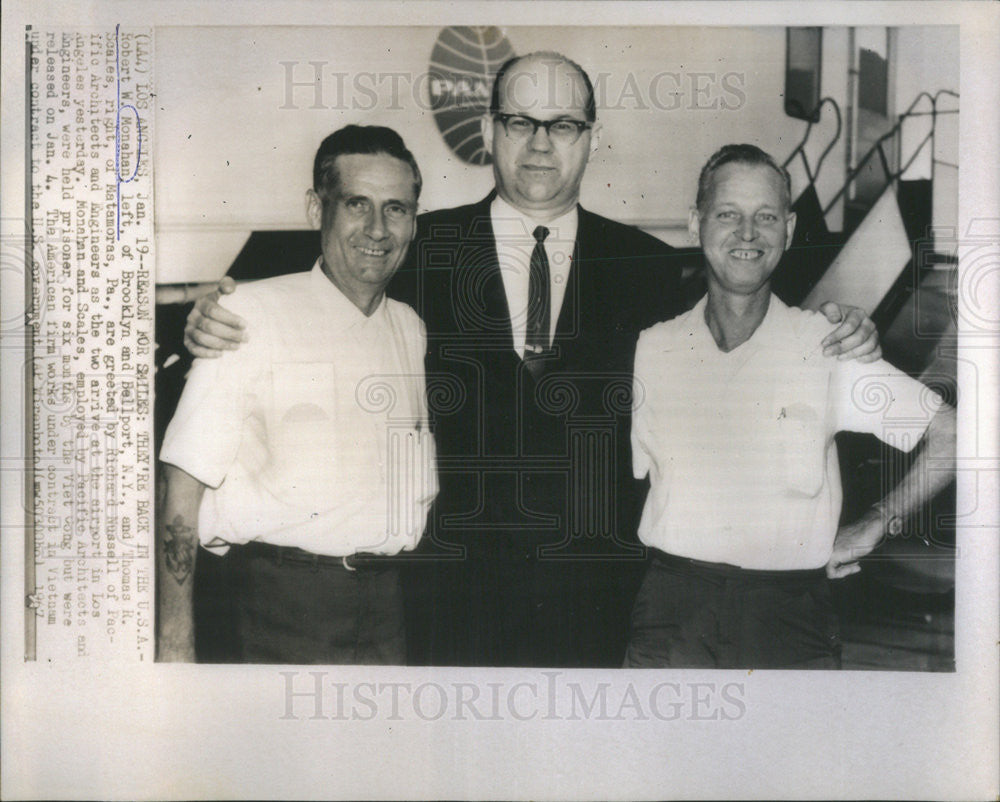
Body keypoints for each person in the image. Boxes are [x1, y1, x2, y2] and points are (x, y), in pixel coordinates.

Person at [184, 53, 880, 668]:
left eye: (564, 125)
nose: (541, 144)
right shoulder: (416, 246)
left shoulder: (648, 266)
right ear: (489, 133)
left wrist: (848, 329)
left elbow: (742, 359)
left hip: (598, 601)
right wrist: (208, 315)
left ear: (592, 139)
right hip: (443, 601)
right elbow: (311, 295)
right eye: (520, 122)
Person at [625, 144, 956, 669]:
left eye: (766, 216)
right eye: (728, 214)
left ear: (790, 227)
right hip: (671, 616)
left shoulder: (828, 346)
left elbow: (952, 434)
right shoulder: (651, 349)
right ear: (695, 224)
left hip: (788, 621)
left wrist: (876, 522)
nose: (748, 233)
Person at [156, 125, 437, 664]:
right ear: (317, 209)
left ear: (413, 222)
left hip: (388, 610)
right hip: (283, 608)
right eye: (357, 204)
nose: (377, 229)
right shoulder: (248, 316)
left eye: (396, 209)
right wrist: (174, 640)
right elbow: (182, 485)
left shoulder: (410, 328)